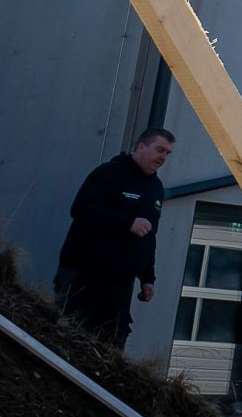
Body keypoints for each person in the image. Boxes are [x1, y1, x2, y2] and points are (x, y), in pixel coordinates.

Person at [55, 128, 172, 343]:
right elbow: (81, 209)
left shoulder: (155, 187)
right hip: (85, 274)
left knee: (110, 345)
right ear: (141, 146)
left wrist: (147, 278)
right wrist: (127, 223)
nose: (163, 157)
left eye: (167, 153)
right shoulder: (109, 173)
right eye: (159, 149)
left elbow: (149, 235)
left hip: (121, 283)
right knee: (71, 337)